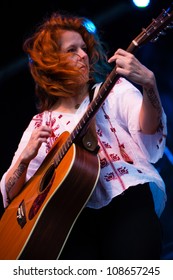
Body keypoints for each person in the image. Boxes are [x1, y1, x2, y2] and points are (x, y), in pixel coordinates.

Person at [0, 11, 167, 260]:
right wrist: (25, 159)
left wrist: (149, 85)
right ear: (52, 64)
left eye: (84, 48)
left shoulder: (114, 91)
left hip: (128, 203)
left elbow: (150, 140)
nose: (83, 55)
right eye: (72, 50)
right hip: (71, 224)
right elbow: (11, 197)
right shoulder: (40, 123)